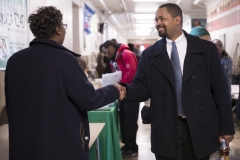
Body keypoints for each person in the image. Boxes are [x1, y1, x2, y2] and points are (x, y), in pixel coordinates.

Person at [118, 3, 235, 160]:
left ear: (177, 19)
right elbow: (142, 87)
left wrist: (226, 127)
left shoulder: (206, 50)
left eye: (162, 18)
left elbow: (220, 90)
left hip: (199, 125)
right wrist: (126, 91)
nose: (157, 23)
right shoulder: (150, 54)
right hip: (166, 126)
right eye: (156, 19)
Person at [5, 6, 123, 160]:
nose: (65, 30)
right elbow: (89, 99)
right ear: (58, 29)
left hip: (23, 147)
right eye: (63, 26)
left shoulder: (14, 61)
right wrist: (113, 90)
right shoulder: (64, 60)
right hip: (58, 147)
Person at [102, 40, 139, 158]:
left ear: (111, 47)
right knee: (123, 120)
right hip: (122, 91)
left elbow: (132, 72)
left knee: (130, 121)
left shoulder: (126, 54)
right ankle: (127, 145)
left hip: (131, 91)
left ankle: (132, 147)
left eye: (106, 51)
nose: (106, 54)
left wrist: (119, 84)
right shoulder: (114, 58)